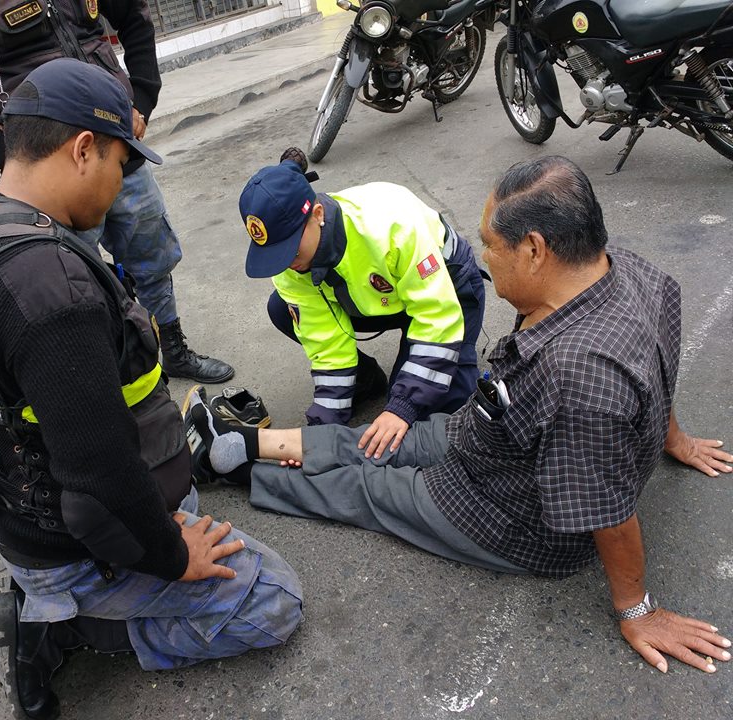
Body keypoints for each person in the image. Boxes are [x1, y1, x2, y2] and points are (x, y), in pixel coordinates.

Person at [194, 156, 733, 674]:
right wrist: (675, 439)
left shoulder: (578, 379)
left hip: (499, 511)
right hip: (485, 429)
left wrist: (637, 609)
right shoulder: (640, 275)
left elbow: (607, 509)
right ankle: (242, 443)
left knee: (369, 492)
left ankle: (241, 466)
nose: (482, 256)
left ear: (534, 249)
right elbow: (654, 371)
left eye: (490, 246)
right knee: (381, 442)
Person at [0, 59, 301, 720]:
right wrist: (170, 556)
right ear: (83, 148)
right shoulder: (48, 288)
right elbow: (100, 473)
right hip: (72, 540)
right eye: (120, 164)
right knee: (275, 599)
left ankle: (60, 592)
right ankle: (67, 622)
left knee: (197, 496)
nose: (120, 182)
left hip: (21, 500)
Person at [0, 0, 235, 383]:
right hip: (49, 172)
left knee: (153, 257)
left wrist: (142, 97)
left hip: (119, 149)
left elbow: (135, 17)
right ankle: (105, 376)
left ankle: (171, 348)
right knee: (75, 284)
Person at [238, 149, 486, 459]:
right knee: (281, 307)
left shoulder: (390, 224)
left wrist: (403, 405)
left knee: (427, 424)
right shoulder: (290, 264)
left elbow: (436, 316)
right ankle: (365, 380)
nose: (286, 262)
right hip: (377, 300)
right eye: (275, 253)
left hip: (449, 291)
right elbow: (327, 346)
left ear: (317, 214)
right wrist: (320, 434)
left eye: (290, 247)